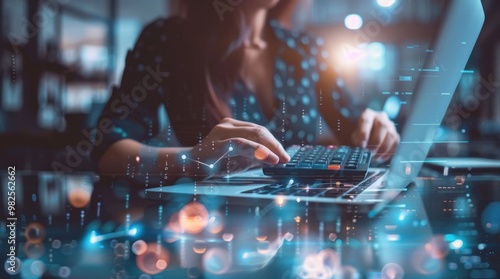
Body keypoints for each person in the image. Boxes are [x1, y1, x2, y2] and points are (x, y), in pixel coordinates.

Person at [92, 0, 399, 185]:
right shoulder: (168, 41)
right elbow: (108, 152)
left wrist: (376, 127)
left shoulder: (308, 51)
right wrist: (193, 160)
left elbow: (357, 129)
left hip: (306, 216)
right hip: (211, 224)